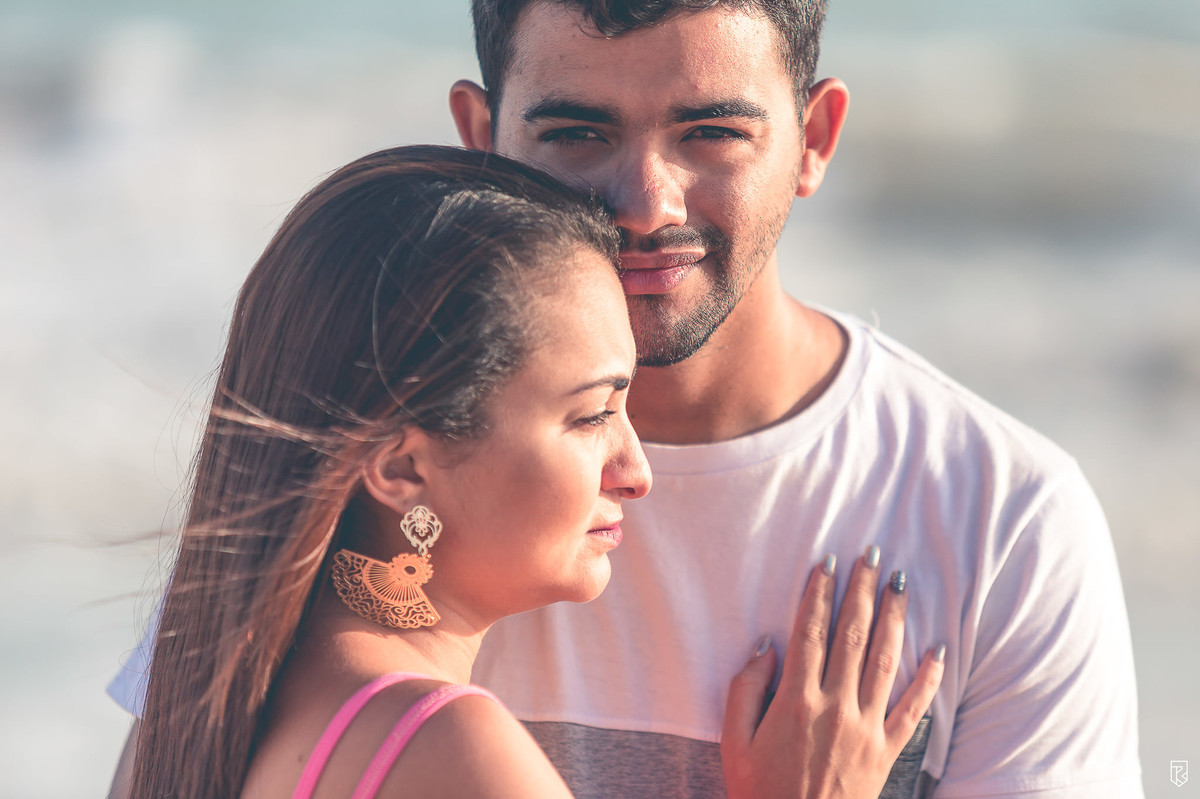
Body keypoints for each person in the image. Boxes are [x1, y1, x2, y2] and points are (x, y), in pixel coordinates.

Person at [111, 0, 1144, 796]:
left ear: (814, 138)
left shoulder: (1003, 522)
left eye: (710, 134)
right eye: (576, 132)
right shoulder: (342, 504)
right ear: (480, 134)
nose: (646, 203)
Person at [111, 144, 943, 798]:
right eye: (591, 415)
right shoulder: (449, 746)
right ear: (402, 468)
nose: (636, 470)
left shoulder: (194, 708)